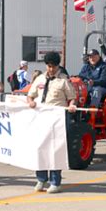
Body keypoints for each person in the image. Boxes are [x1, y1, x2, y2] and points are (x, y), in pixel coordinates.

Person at [27, 51, 77, 194]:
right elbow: (30, 95)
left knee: (55, 150)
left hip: (57, 119)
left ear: (57, 66)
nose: (51, 69)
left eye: (53, 66)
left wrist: (72, 105)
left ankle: (55, 182)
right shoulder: (40, 79)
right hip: (41, 117)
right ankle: (41, 179)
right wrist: (30, 102)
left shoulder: (63, 80)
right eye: (49, 66)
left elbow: (72, 97)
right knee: (40, 148)